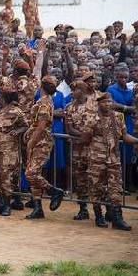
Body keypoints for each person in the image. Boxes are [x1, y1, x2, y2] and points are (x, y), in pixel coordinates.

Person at [82, 92, 138, 230]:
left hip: (113, 158)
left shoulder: (118, 117)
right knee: (96, 187)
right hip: (97, 159)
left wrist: (136, 141)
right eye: (104, 102)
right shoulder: (92, 118)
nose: (107, 104)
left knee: (116, 188)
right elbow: (85, 138)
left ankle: (117, 219)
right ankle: (98, 216)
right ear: (98, 104)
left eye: (109, 102)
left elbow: (124, 135)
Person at [24, 75, 65, 219]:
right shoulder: (43, 101)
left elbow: (41, 127)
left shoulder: (44, 103)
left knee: (31, 173)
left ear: (41, 87)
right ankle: (37, 207)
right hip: (37, 141)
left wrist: (31, 143)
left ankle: (54, 191)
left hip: (40, 142)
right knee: (34, 174)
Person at [0, 85, 28, 216]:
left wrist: (17, 131)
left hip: (7, 150)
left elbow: (25, 126)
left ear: (4, 98)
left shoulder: (16, 111)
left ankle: (7, 206)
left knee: (5, 177)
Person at [63, 80, 93, 221]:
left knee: (99, 180)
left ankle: (107, 210)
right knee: (80, 180)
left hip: (95, 149)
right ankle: (83, 209)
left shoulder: (94, 105)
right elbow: (69, 129)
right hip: (78, 149)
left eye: (74, 90)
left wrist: (89, 135)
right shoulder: (69, 107)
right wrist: (85, 135)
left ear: (81, 90)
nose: (71, 93)